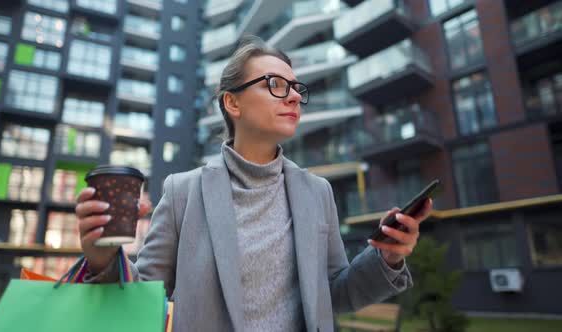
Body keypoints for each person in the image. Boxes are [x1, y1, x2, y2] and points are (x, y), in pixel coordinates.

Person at [75, 36, 433, 332]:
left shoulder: (317, 193)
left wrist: (386, 257)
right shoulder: (182, 192)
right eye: (275, 85)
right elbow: (146, 298)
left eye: (296, 88)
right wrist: (103, 258)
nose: (293, 96)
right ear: (232, 102)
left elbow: (334, 293)